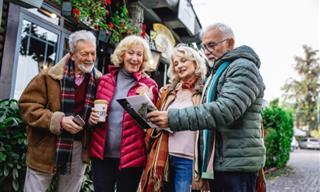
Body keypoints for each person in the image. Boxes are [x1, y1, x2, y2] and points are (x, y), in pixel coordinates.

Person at [147, 23, 266, 192]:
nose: (207, 50)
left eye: (212, 45)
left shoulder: (243, 67)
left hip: (237, 167)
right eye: (204, 46)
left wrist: (172, 118)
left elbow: (224, 110)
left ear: (230, 43)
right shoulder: (220, 70)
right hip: (224, 163)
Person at [19, 30, 102, 192]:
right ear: (72, 55)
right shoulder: (48, 77)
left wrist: (94, 120)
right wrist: (59, 121)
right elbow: (26, 106)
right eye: (85, 54)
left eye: (93, 53)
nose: (90, 58)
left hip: (79, 147)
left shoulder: (99, 80)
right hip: (46, 145)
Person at [89, 35, 159, 192]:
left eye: (139, 55)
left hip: (132, 158)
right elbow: (91, 111)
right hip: (102, 155)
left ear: (144, 59)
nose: (135, 58)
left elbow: (153, 124)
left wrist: (148, 99)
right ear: (122, 55)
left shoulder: (149, 85)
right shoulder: (105, 80)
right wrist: (91, 119)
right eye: (130, 53)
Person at [139, 45, 210, 192]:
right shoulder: (169, 91)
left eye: (183, 60)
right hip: (165, 157)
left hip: (188, 159)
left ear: (195, 62)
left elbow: (206, 122)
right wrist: (147, 99)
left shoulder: (205, 92)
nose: (179, 66)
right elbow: (156, 119)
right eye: (176, 63)